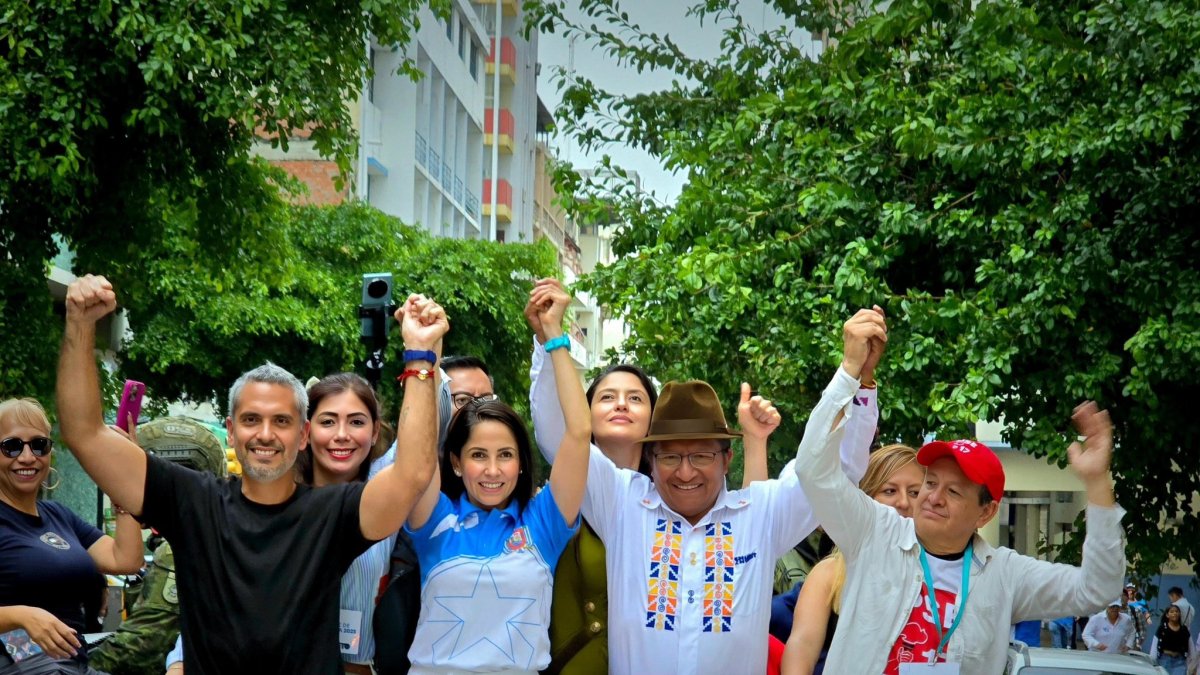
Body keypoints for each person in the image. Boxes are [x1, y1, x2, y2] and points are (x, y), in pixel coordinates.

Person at [56, 274, 444, 674]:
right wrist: (80, 325)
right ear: (231, 426)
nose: (265, 434)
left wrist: (420, 355)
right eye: (251, 419)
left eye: (281, 421)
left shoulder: (333, 513)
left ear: (303, 434)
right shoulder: (191, 499)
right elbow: (84, 433)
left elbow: (412, 473)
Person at [527, 280, 879, 675]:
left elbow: (836, 472)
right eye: (671, 456)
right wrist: (548, 340)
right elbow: (561, 441)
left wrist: (857, 381)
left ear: (727, 459)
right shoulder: (623, 502)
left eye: (701, 455)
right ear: (651, 457)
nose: (686, 471)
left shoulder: (760, 513)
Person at [794, 307, 1127, 674]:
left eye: (954, 492)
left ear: (986, 512)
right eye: (931, 483)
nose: (932, 497)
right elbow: (814, 470)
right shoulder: (874, 534)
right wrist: (850, 372)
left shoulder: (1005, 575)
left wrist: (1097, 484)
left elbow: (1097, 588)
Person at [402, 282, 591, 673]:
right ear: (455, 463)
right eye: (477, 456)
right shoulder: (433, 517)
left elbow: (579, 433)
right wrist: (423, 356)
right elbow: (417, 449)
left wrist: (554, 336)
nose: (492, 470)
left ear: (522, 462)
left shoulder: (544, 523)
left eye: (505, 455)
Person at [0, 397, 144, 674]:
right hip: (20, 658)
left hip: (71, 663)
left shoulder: (58, 515)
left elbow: (125, 559)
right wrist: (21, 616)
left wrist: (126, 472)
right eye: (12, 446)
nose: (28, 457)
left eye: (39, 445)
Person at [89, 417, 228, 675]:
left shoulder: (181, 547)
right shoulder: (209, 530)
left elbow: (143, 644)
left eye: (139, 473)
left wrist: (72, 666)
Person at [781, 444, 924, 675]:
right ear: (864, 498)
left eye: (915, 492)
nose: (904, 502)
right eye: (890, 491)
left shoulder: (940, 569)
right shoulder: (829, 573)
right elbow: (802, 648)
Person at [1149, 604, 1191, 675]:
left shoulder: (1184, 629)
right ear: (1167, 615)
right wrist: (1152, 661)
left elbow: (1190, 647)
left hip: (1180, 661)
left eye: (1177, 611)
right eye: (1172, 612)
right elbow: (1154, 646)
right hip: (1164, 660)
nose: (1175, 613)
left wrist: (1191, 664)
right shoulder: (1162, 628)